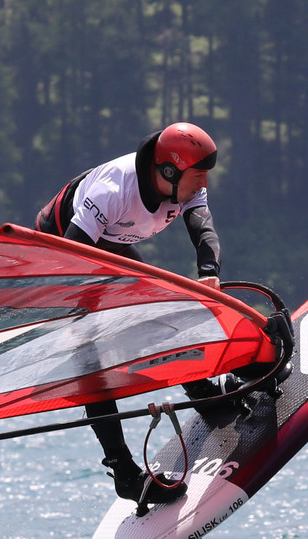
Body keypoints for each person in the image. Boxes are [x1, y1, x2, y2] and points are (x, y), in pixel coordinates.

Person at [35, 121, 227, 505]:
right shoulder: (113, 191)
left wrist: (209, 274)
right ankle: (125, 473)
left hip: (110, 244)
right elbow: (74, 260)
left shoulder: (185, 186)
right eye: (199, 175)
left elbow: (203, 230)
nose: (204, 184)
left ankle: (201, 392)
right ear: (168, 171)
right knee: (90, 358)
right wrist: (89, 322)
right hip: (65, 245)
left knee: (162, 305)